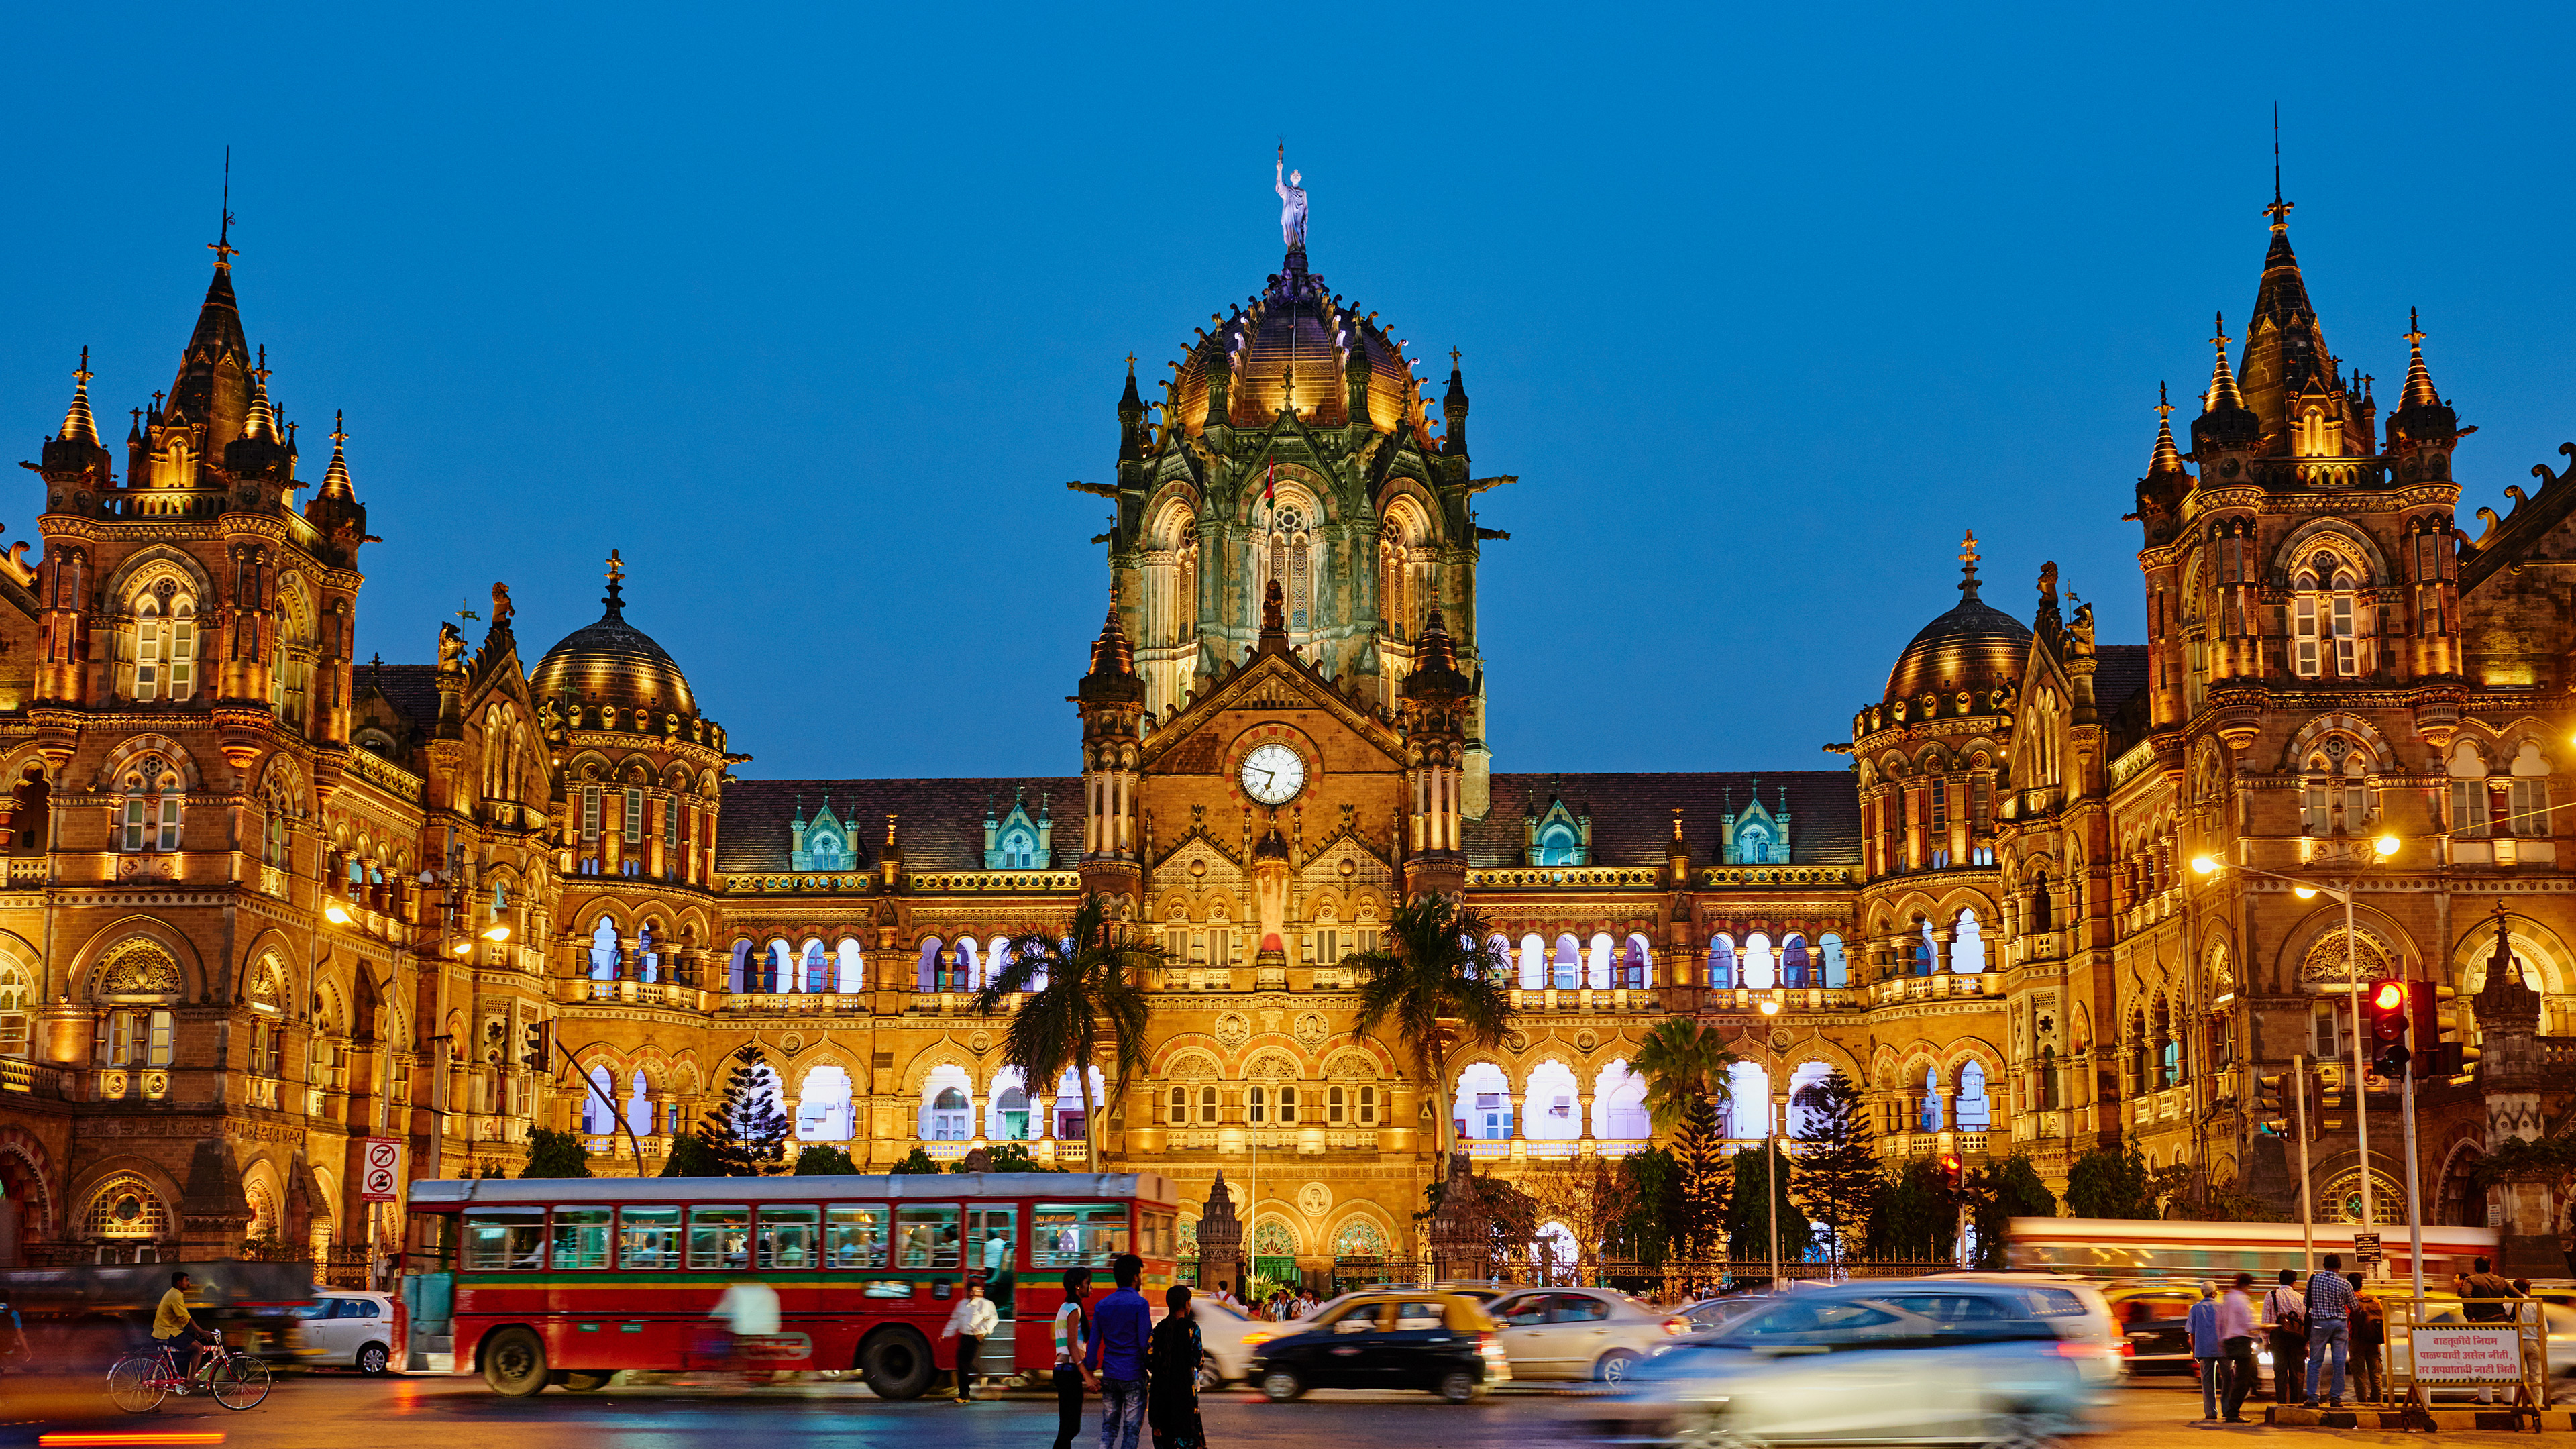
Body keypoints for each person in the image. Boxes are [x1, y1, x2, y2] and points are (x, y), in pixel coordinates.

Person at [1086, 1253, 1150, 1449]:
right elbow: (1144, 1343)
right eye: (1140, 1274)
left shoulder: (1102, 1305)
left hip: (1110, 1374)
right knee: (1131, 1431)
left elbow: (1094, 1343)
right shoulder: (1140, 1304)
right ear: (1135, 1277)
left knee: (1108, 1429)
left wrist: (1090, 1371)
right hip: (1133, 1375)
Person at [2456, 1255, 2522, 1403]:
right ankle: (2508, 1398)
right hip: (2502, 1326)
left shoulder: (2471, 1280)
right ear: (2490, 1267)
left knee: (2484, 1361)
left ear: (2475, 1268)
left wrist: (2469, 1315)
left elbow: (2465, 1295)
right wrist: (2512, 1318)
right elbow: (2519, 1297)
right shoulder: (2501, 1281)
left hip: (2483, 1326)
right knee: (2504, 1361)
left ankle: (2485, 1397)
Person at [1146, 1285, 1205, 1449]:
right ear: (1187, 1304)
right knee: (1186, 1439)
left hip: (1160, 1395)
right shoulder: (1192, 1329)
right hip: (1185, 1395)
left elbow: (1148, 1359)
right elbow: (1198, 1361)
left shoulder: (1158, 1329)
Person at [1053, 1269, 1098, 1449]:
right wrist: (1086, 1374)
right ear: (1078, 1286)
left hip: (1065, 1372)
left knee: (1068, 1428)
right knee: (1070, 1428)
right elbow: (1072, 1345)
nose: (1091, 1287)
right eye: (1088, 1283)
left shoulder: (1067, 1307)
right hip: (1068, 1372)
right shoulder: (1072, 1308)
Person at [2302, 1253, 2355, 1408]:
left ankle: (2313, 1398)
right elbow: (2354, 1306)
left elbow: (2307, 1302)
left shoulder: (2313, 1280)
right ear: (2339, 1266)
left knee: (2315, 1362)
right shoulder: (2345, 1284)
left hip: (2319, 1324)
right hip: (2339, 1325)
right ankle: (2336, 1399)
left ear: (2324, 1265)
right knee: (2339, 1362)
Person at [941, 1276, 1000, 1403]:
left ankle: (979, 1386)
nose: (975, 1294)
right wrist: (946, 1333)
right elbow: (955, 1321)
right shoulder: (961, 1305)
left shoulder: (986, 1304)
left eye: (978, 1291)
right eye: (973, 1291)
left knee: (970, 1365)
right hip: (964, 1337)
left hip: (976, 1338)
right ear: (968, 1292)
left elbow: (993, 1319)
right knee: (961, 1366)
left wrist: (982, 1330)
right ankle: (964, 1396)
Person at [153, 1271, 218, 1386]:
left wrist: (196, 1331)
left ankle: (158, 1387)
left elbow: (181, 1318)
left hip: (165, 1330)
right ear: (179, 1283)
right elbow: (186, 1318)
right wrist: (201, 1331)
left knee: (167, 1359)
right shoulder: (175, 1296)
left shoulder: (173, 1293)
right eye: (187, 1280)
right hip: (168, 1332)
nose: (189, 1283)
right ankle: (191, 1379)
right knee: (198, 1348)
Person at [2261, 1268, 2306, 1404]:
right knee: (2297, 1373)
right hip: (2297, 1339)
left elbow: (2266, 1320)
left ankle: (2282, 1404)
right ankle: (2296, 1404)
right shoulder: (2301, 1298)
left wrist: (2265, 1342)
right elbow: (2305, 1323)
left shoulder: (2271, 1296)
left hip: (2278, 1338)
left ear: (2280, 1281)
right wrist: (2307, 1345)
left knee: (2280, 1373)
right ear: (2294, 1283)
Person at [2218, 1272, 2259, 1423]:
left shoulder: (2228, 1298)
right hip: (2241, 1341)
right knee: (2245, 1378)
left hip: (2230, 1340)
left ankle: (2231, 1410)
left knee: (2241, 1377)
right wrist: (2265, 1327)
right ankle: (2232, 1412)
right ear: (2245, 1285)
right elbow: (2249, 1324)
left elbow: (2223, 1321)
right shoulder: (2241, 1300)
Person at [2188, 1280, 2227, 1424]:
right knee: (2227, 1380)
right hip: (2223, 1349)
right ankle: (2228, 1410)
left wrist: (2194, 1350)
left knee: (2208, 1383)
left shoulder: (2195, 1309)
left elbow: (2191, 1332)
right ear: (2214, 1293)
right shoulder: (2222, 1308)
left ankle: (2211, 1413)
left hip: (2203, 1350)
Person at [2350, 1292, 2385, 1404]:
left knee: (2359, 1373)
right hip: (2374, 1340)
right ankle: (2378, 1402)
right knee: (2376, 1373)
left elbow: (2347, 1320)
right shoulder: (2374, 1299)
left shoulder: (2349, 1300)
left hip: (2357, 1340)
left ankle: (2362, 1402)